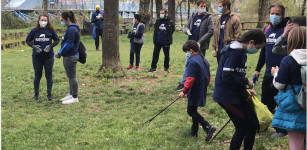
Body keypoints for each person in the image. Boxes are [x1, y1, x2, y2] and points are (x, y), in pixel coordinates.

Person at [213, 29, 266, 150]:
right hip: (226, 96)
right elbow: (226, 77)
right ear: (251, 42)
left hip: (236, 93)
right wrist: (246, 81)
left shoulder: (241, 52)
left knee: (252, 124)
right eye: (257, 48)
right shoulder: (234, 52)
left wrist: (245, 89)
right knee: (242, 128)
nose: (257, 51)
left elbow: (236, 74)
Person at [253, 3, 291, 138]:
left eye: (277, 14)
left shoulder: (288, 29)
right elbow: (263, 51)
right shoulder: (267, 29)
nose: (274, 16)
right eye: (272, 13)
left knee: (282, 100)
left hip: (284, 72)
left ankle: (281, 129)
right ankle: (263, 124)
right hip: (269, 71)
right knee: (266, 99)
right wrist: (258, 69)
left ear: (282, 15)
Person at [271, 26, 306, 150]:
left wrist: (275, 73)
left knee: (296, 143)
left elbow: (279, 84)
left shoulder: (288, 60)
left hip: (294, 106)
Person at [179, 40, 216, 141]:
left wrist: (184, 90)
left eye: (186, 52)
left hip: (194, 89)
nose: (186, 54)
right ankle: (194, 131)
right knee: (194, 110)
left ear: (191, 50)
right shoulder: (203, 59)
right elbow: (208, 77)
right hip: (200, 88)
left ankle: (208, 127)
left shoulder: (192, 61)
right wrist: (204, 87)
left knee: (191, 111)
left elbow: (190, 78)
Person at [175, 0, 214, 91]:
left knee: (200, 64)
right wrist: (187, 31)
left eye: (204, 6)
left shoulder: (208, 17)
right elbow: (186, 26)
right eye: (201, 6)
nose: (203, 8)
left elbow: (211, 31)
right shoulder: (193, 16)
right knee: (188, 63)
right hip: (190, 45)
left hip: (201, 46)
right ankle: (184, 82)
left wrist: (200, 42)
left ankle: (201, 82)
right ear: (197, 7)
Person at [26, 15, 60, 101]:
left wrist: (50, 46)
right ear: (38, 21)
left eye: (45, 20)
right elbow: (28, 40)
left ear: (48, 21)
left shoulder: (51, 30)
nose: (43, 22)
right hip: (37, 57)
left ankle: (49, 94)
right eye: (42, 20)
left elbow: (57, 40)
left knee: (49, 75)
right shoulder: (34, 30)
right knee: (37, 76)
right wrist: (33, 46)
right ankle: (36, 93)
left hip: (48, 56)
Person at [55, 11, 80, 105]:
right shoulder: (70, 28)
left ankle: (75, 97)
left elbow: (69, 44)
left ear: (67, 19)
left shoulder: (72, 29)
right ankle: (71, 93)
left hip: (71, 56)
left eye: (62, 20)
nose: (61, 22)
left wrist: (60, 52)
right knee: (70, 76)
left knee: (72, 77)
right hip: (68, 55)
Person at [147, 9, 175, 73]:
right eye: (160, 13)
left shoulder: (170, 22)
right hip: (158, 41)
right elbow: (155, 29)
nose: (161, 14)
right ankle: (153, 68)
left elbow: (172, 30)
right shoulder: (158, 21)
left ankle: (166, 68)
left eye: (162, 13)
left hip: (166, 41)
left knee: (167, 55)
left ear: (166, 13)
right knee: (155, 55)